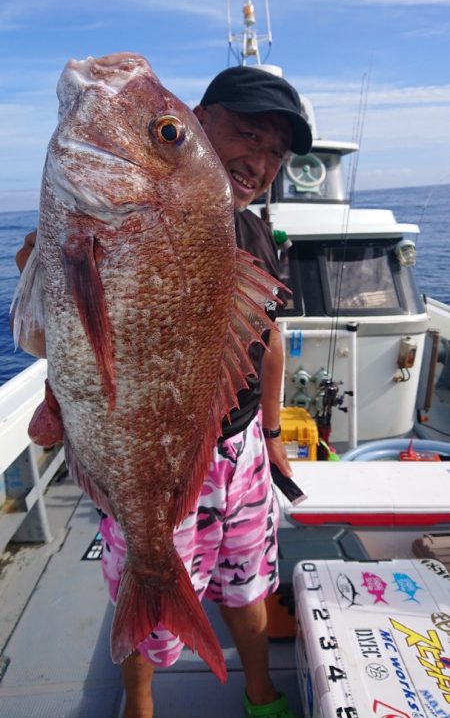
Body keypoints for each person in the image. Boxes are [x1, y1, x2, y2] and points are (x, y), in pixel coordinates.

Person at [15, 65, 312, 718]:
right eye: (248, 136)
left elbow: (267, 345)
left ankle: (259, 692)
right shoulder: (125, 216)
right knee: (150, 611)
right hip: (160, 463)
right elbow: (59, 328)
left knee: (249, 579)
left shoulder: (258, 236)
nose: (259, 161)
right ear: (203, 123)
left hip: (241, 456)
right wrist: (49, 274)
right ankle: (140, 707)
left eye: (275, 153)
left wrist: (271, 432)